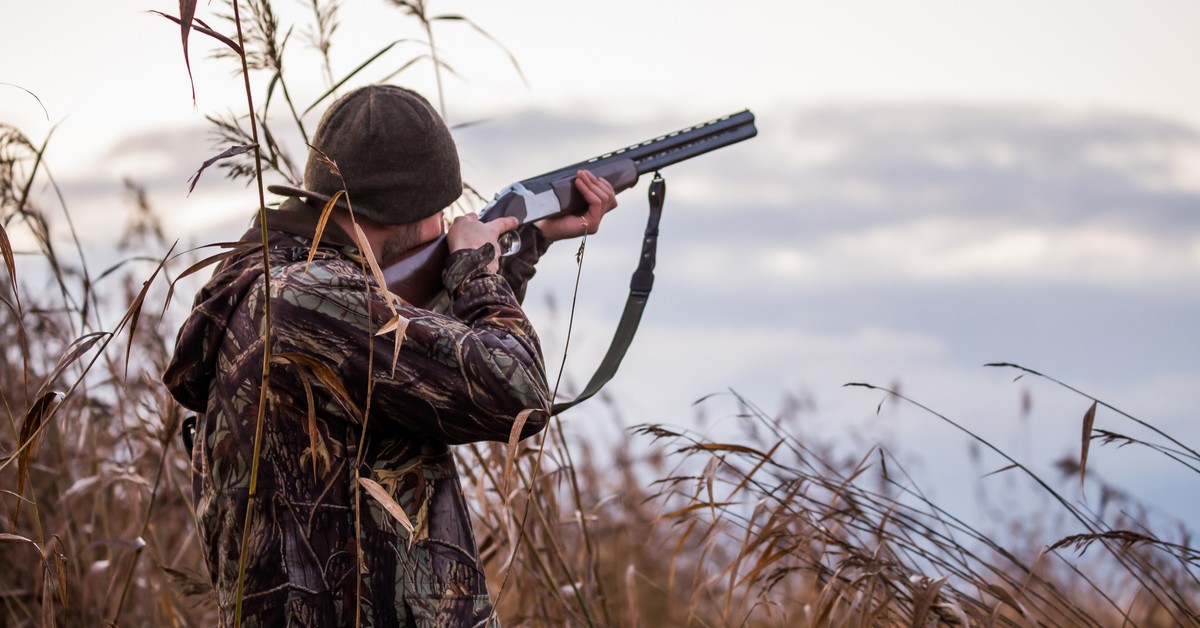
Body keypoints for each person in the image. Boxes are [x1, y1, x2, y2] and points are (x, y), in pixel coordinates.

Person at [163, 84, 617, 627]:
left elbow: (436, 353)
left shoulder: (289, 284)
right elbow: (518, 393)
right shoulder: (307, 298)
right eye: (439, 212)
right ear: (405, 211)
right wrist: (475, 269)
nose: (444, 226)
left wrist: (527, 244)